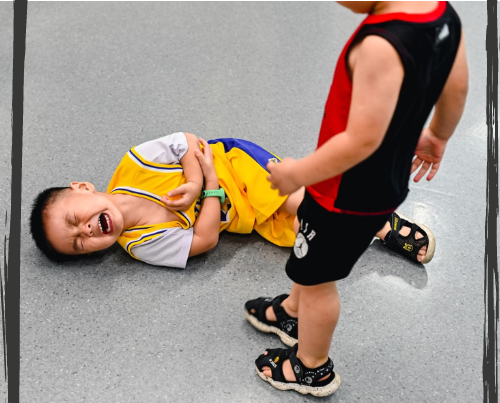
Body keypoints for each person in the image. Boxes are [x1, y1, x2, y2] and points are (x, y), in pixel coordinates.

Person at [245, 1, 468, 397]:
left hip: (343, 193)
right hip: (386, 181)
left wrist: (296, 174)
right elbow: (456, 85)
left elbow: (361, 140)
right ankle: (294, 314)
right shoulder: (441, 13)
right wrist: (438, 135)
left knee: (319, 282)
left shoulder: (380, 45)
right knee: (309, 253)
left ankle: (311, 366)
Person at [30, 133, 433, 267]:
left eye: (73, 220)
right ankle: (366, 221)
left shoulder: (135, 163)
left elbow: (188, 142)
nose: (85, 231)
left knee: (300, 205)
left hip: (236, 164)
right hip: (242, 217)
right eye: (79, 243)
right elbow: (204, 241)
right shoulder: (140, 245)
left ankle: (383, 222)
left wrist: (196, 175)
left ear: (83, 188)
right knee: (305, 236)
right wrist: (205, 184)